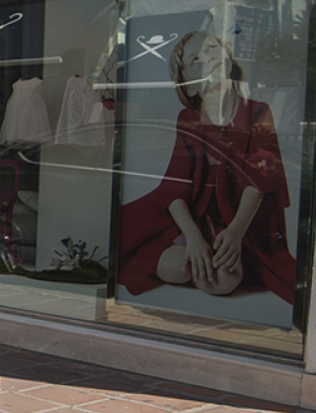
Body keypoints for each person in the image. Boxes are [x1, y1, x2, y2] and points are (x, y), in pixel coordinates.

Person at [118, 31, 295, 302]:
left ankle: (218, 255)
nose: (209, 57)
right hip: (195, 216)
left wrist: (235, 232)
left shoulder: (258, 112)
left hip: (240, 224)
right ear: (189, 87)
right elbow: (175, 187)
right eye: (196, 59)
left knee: (223, 281)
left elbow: (259, 182)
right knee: (177, 267)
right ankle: (187, 252)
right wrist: (193, 236)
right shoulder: (188, 119)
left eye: (212, 48)